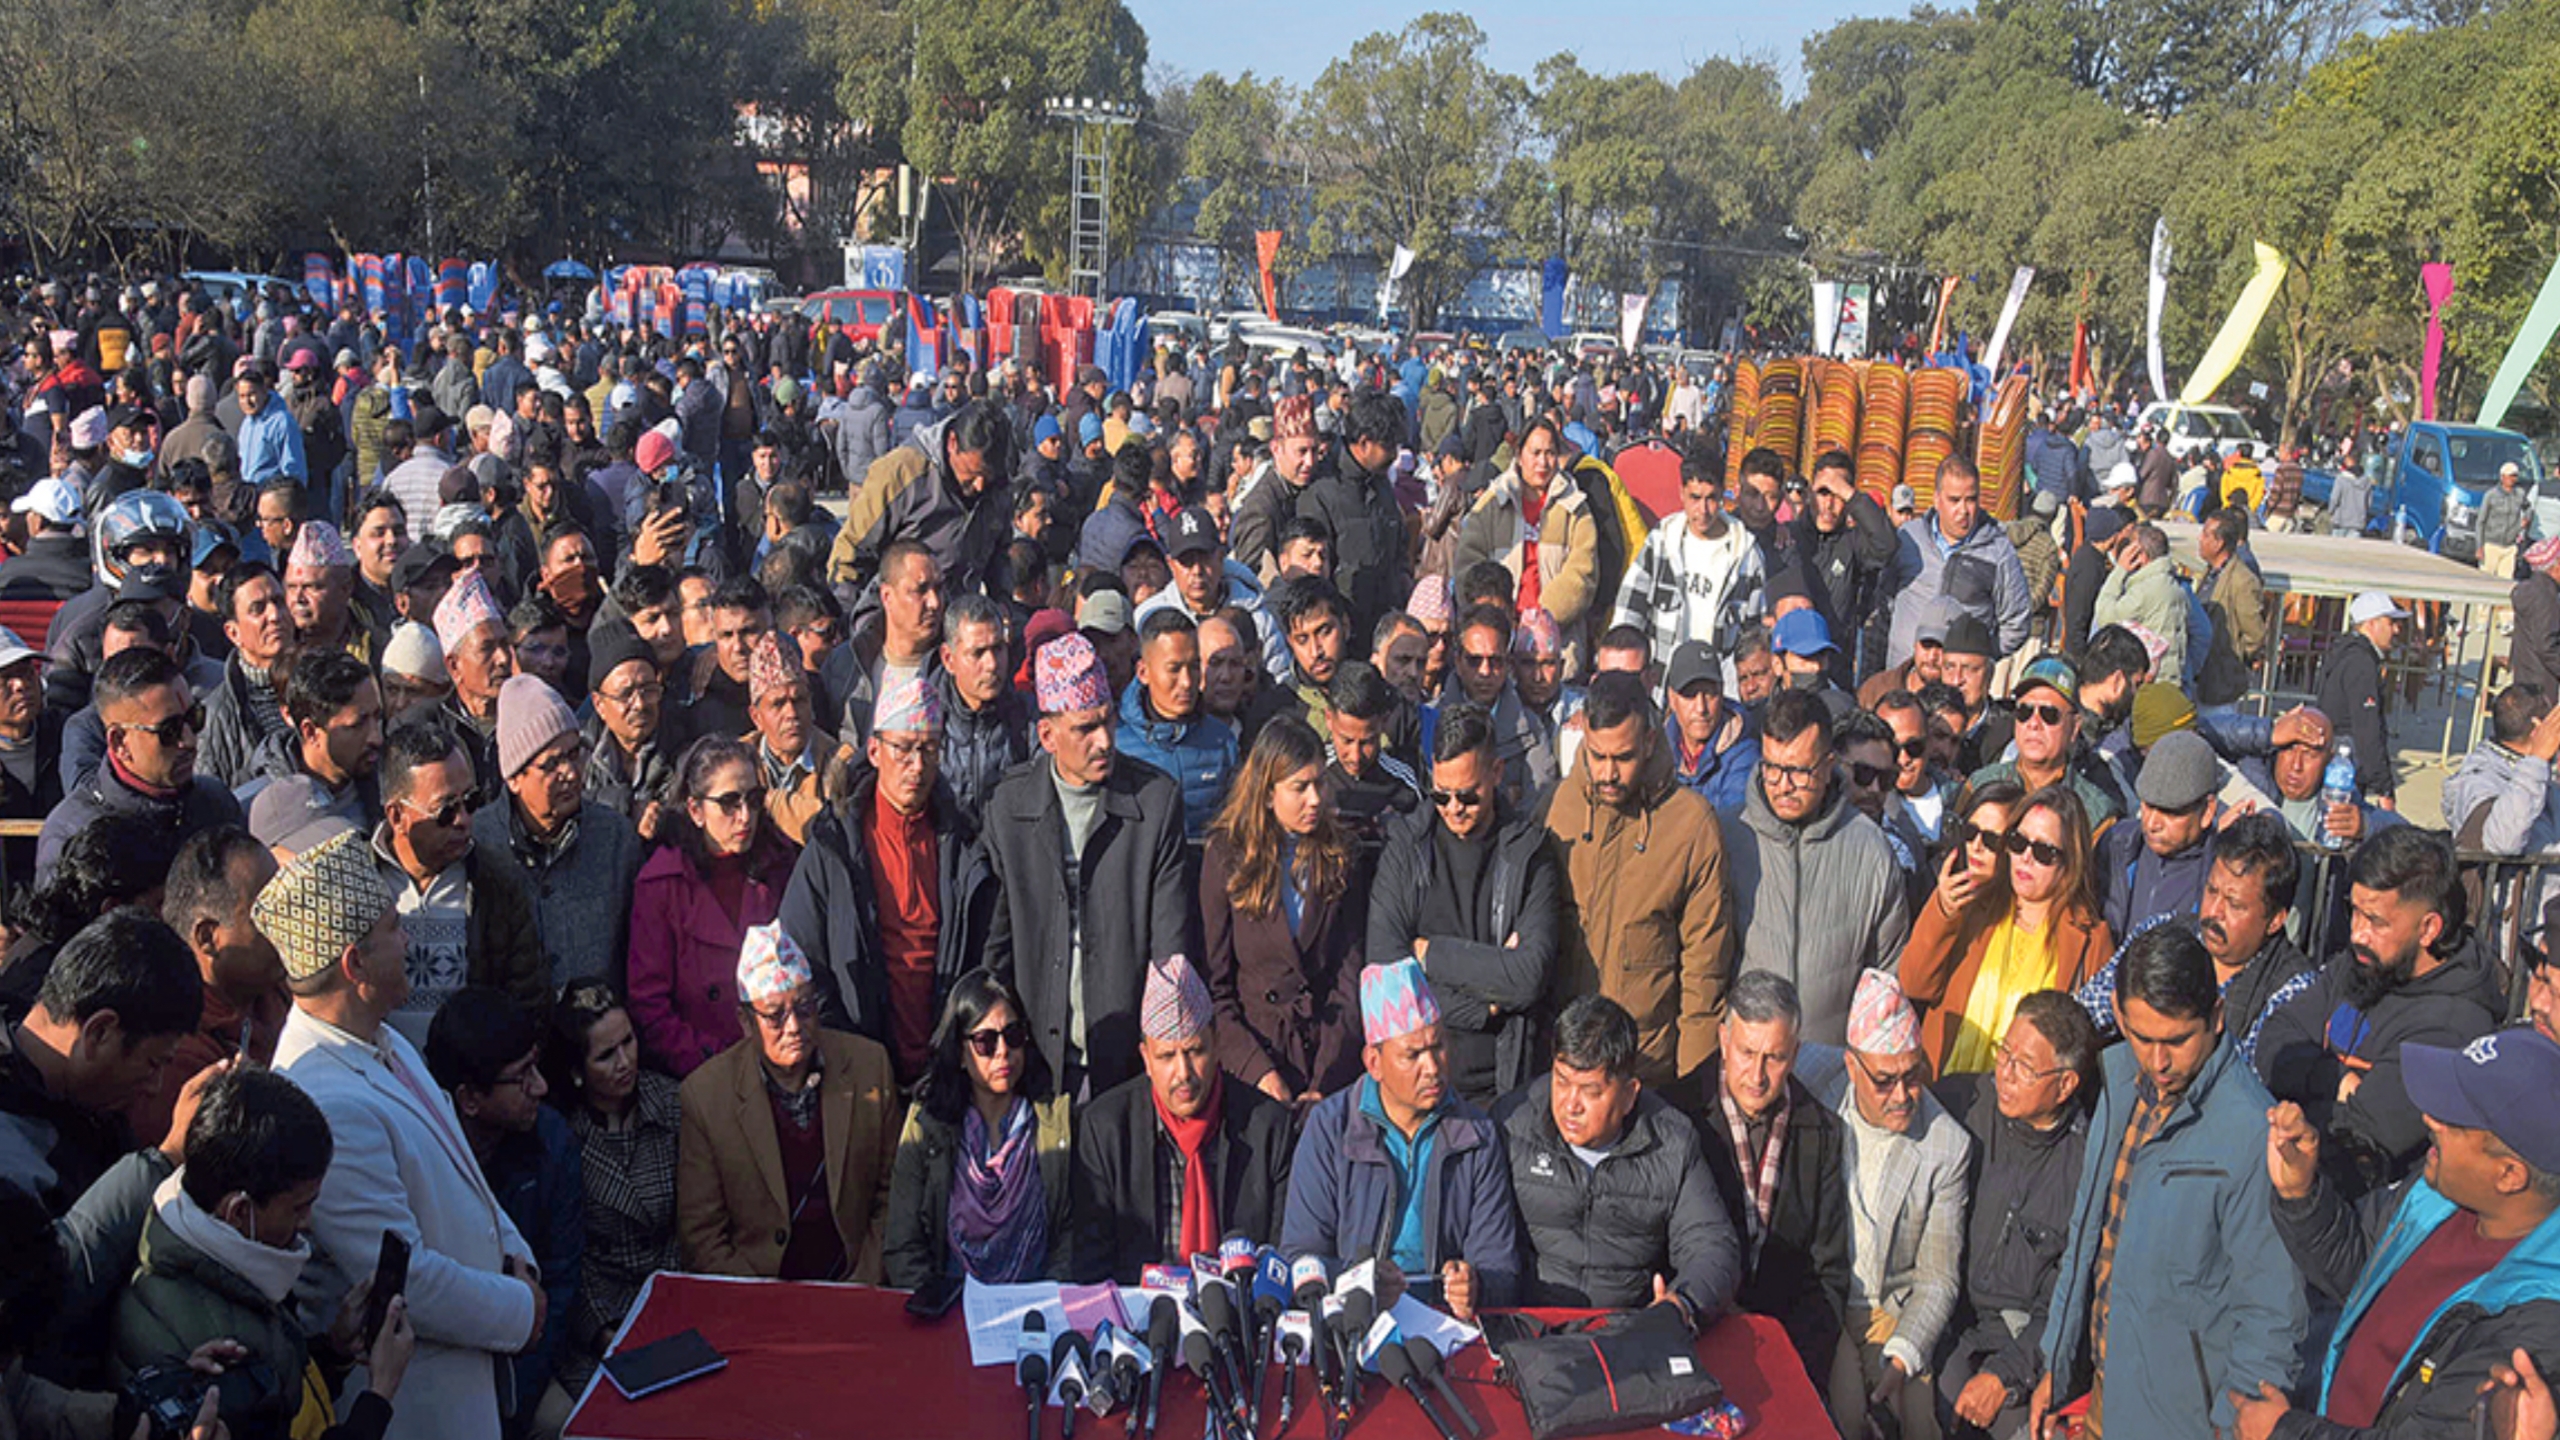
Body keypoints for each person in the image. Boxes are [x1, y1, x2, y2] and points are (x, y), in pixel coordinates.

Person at [264, 829, 543, 1440]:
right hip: (419, 1406)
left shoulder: (383, 1040)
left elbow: (465, 1179)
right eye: (394, 928)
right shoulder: (323, 1100)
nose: (409, 939)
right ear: (355, 964)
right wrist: (520, 1310)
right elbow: (402, 1278)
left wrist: (516, 1257)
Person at [2032, 926, 2306, 1440]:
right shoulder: (2117, 1082)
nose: (2158, 1062)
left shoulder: (2251, 1133)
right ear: (2119, 1017)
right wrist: (2057, 1362)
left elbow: (2270, 1312)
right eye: (2142, 1038)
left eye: (2177, 1041)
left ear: (2217, 1017)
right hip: (2101, 1395)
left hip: (2182, 1421)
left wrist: (2233, 1427)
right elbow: (2088, 1237)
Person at [2247, 1029, 2560, 1440]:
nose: (2429, 1118)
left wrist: (2284, 1432)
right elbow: (2361, 1269)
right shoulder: (2436, 1196)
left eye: (2455, 1119)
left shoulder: (2536, 1324)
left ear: (2509, 1175)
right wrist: (2303, 1194)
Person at [111, 1065, 420, 1440]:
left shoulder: (227, 1269)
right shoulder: (190, 1335)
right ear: (239, 1211)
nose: (307, 1223)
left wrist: (333, 1350)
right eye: (299, 1207)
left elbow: (278, 1397)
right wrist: (379, 1394)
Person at [983, 634, 1193, 1097]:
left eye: (1108, 721)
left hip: (1128, 1066)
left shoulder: (1154, 804)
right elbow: (995, 950)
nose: (1104, 741)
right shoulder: (1008, 808)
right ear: (1047, 736)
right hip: (1033, 1062)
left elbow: (1171, 950)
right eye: (1085, 729)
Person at [2258, 826, 2505, 1200]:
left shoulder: (2453, 1027)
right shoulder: (2361, 963)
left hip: (2354, 1205)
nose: (2357, 934)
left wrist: (2298, 1091)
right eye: (2354, 912)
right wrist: (2335, 1080)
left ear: (2428, 928)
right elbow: (2276, 1038)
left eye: (2375, 921)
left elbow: (2361, 1134)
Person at [1279, 959, 1521, 1321]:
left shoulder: (1476, 1135)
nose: (1433, 1068)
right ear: (1374, 1062)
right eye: (1413, 1055)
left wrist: (1477, 1286)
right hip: (1352, 1320)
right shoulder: (1330, 1128)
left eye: (1438, 1046)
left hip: (1444, 1323)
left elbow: (1500, 1266)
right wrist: (1358, 1281)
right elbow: (1300, 1259)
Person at [1495, 994, 1742, 1322]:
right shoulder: (1513, 1125)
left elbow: (1712, 1246)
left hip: (1628, 1326)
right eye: (1561, 1082)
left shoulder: (1672, 1143)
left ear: (1629, 1095)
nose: (1571, 1105)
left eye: (1590, 1091)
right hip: (1530, 1322)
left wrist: (1682, 1303)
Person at [675, 921, 897, 1281]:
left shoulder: (870, 1066)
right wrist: (771, 1303)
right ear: (746, 1021)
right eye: (775, 1016)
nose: (794, 1027)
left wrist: (863, 1284)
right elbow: (703, 1238)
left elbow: (894, 1198)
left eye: (805, 1008)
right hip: (757, 1293)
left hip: (856, 1281)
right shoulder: (706, 1098)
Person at [1368, 705, 1562, 1111]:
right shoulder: (1406, 847)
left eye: (1468, 795)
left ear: (1497, 772)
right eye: (1441, 794)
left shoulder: (1530, 852)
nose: (1454, 807)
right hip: (1418, 1084)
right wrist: (1484, 1006)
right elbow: (1387, 979)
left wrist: (1429, 956)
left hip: (1503, 1084)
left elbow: (1528, 976)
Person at [1548, 673, 1732, 1089]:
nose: (1608, 773)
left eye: (1624, 758)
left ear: (1649, 742)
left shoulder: (1692, 826)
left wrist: (1693, 1087)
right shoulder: (1557, 809)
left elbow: (1704, 975)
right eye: (1598, 756)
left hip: (1646, 1071)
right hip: (1565, 1071)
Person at [1808, 971, 1972, 1440]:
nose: (1901, 1096)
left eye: (1913, 1076)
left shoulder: (1945, 1146)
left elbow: (1938, 1278)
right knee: (1844, 1420)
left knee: (1919, 1424)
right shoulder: (1815, 1086)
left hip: (1892, 1311)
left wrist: (1902, 1355)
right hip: (1825, 1295)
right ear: (1851, 1066)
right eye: (1884, 1081)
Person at [1071, 954, 1297, 1283]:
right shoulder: (1105, 1130)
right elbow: (1091, 1269)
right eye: (1167, 1056)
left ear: (1217, 1045)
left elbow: (1280, 1260)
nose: (1184, 1073)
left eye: (1195, 1051)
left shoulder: (1268, 1128)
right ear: (1146, 1059)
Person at [1934, 994, 2096, 1440]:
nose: (2004, 1073)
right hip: (1947, 1317)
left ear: (2065, 1085)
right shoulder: (1963, 1103)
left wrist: (2006, 1374)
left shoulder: (2085, 1167)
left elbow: (2067, 1300)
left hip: (2021, 1343)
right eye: (2003, 1052)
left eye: (2024, 1067)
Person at [422, 988, 581, 1437]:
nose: (541, 1087)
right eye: (521, 1076)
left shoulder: (551, 1144)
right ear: (470, 1098)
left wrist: (513, 1404)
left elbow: (561, 1281)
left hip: (529, 1357)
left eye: (536, 1066)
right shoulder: (422, 1158)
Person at [1695, 971, 1853, 1398]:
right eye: (1747, 1053)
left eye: (1775, 1058)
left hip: (1785, 1342)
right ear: (1723, 1039)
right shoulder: (1680, 1115)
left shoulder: (1822, 1133)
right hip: (1697, 1334)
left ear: (1796, 1053)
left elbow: (1827, 1272)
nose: (1757, 1075)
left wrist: (1793, 1366)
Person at [1199, 716, 1369, 1107]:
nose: (1316, 799)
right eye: (1300, 787)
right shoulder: (1226, 856)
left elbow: (1349, 977)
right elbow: (1215, 986)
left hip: (1325, 1059)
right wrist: (1258, 1071)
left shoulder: (1340, 855)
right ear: (1267, 792)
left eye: (1320, 783)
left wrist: (1326, 1077)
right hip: (1255, 1061)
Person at [1726, 690, 1911, 1046]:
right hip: (1745, 1062)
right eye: (1772, 769)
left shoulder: (1871, 850)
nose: (1784, 786)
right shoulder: (1730, 836)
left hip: (1833, 1067)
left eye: (1799, 771)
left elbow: (1887, 977)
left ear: (1828, 766)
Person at [1900, 782, 2113, 1078]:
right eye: (2018, 842)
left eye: (2044, 851)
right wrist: (1943, 913)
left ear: (2069, 863)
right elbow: (1914, 984)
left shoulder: (2090, 939)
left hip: (2023, 1100)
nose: (2026, 857)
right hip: (1943, 1090)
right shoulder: (1972, 907)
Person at [882, 971, 1073, 1287]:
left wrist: (1045, 1301)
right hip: (948, 1306)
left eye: (1013, 1035)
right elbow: (903, 1246)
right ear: (959, 1051)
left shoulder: (1057, 1124)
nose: (1003, 1051)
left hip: (1036, 1307)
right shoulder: (926, 1125)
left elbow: (1070, 1238)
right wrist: (940, 1304)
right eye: (985, 1041)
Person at [626, 737, 799, 1078]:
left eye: (753, 799)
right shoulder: (662, 884)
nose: (745, 816)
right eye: (729, 803)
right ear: (695, 810)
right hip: (702, 1072)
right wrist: (720, 1066)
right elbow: (650, 1007)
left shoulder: (780, 863)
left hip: (781, 1060)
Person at [369, 720, 547, 1048]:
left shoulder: (497, 885)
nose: (463, 820)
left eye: (471, 801)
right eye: (445, 811)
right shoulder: (360, 882)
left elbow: (525, 998)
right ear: (396, 816)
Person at [539, 980, 678, 1398]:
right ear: (576, 1071)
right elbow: (563, 1253)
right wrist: (603, 1331)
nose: (624, 1062)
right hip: (600, 1323)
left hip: (675, 1296)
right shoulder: (559, 1137)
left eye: (628, 1042)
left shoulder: (673, 1105)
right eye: (605, 1055)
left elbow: (698, 1217)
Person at [473, 675, 643, 992]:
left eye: (574, 754)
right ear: (514, 777)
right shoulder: (480, 843)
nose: (570, 773)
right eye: (551, 764)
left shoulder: (616, 838)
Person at [36, 647, 244, 881]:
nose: (189, 741)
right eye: (169, 731)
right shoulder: (72, 835)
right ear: (119, 742)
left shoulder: (214, 803)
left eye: (194, 718)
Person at [140, 828, 285, 1145]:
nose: (288, 928)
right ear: (207, 937)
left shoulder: (278, 992)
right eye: (269, 916)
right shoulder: (173, 1055)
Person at [826, 401, 1013, 610]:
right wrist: (850, 615)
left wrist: (1003, 601)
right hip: (898, 616)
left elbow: (1001, 555)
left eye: (988, 476)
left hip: (959, 617)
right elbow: (851, 551)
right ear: (952, 443)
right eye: (972, 473)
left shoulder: (998, 488)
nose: (979, 485)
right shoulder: (901, 473)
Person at [1611, 440, 1767, 664]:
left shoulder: (1746, 555)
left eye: (1711, 499)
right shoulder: (1662, 542)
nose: (1703, 510)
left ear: (1722, 496)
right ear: (1681, 493)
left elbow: (1754, 633)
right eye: (1695, 498)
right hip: (1663, 672)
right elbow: (1629, 610)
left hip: (1719, 677)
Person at [1887, 456, 2031, 666]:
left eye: (1971, 500)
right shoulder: (1909, 538)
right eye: (1954, 500)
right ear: (1937, 499)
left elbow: (2017, 622)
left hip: (1957, 681)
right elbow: (1884, 600)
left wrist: (1978, 656)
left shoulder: (1998, 552)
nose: (1963, 511)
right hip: (1904, 671)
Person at [1115, 609, 1238, 842]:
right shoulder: (1116, 743)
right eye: (1174, 669)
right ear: (1143, 672)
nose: (1187, 682)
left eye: (1194, 667)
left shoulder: (1222, 740)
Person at [1966, 654, 2119, 830]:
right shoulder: (1978, 786)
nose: (2034, 723)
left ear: (2075, 727)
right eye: (2024, 711)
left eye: (2049, 714)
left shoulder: (2095, 814)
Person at [2096, 730, 2222, 939]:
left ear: (2207, 811)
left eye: (2170, 812)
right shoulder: (2115, 845)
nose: (2152, 823)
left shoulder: (2223, 876)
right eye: (2147, 806)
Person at [932, 593, 1032, 816]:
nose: (992, 664)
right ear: (948, 659)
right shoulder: (926, 720)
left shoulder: (1028, 717)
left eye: (998, 648)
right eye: (977, 653)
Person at [429, 570, 515, 806]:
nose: (503, 658)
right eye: (487, 648)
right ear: (454, 666)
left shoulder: (530, 717)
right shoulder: (430, 727)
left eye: (505, 644)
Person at [2317, 592, 2406, 809]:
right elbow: (2367, 729)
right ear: (2371, 624)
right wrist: (2384, 788)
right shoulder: (2361, 664)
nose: (2396, 630)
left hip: (2334, 756)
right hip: (2345, 766)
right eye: (2391, 622)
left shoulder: (2343, 653)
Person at [1662, 640, 1758, 814]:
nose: (1701, 708)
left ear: (1722, 693)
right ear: (1672, 698)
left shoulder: (1744, 754)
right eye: (1690, 695)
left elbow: (1734, 820)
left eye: (1710, 694)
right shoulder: (1656, 748)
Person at [2197, 507, 2269, 711]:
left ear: (2219, 543)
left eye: (2205, 534)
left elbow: (2255, 634)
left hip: (2220, 682)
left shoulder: (2242, 580)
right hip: (2200, 677)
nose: (2200, 539)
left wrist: (2233, 654)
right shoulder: (2209, 573)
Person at [2513, 537, 2560, 698]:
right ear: (2555, 566)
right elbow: (2546, 645)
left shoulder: (2532, 589)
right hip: (2542, 683)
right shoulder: (2545, 595)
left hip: (2527, 674)